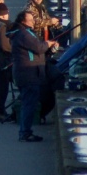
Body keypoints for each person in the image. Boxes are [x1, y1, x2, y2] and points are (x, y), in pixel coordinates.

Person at [11, 10, 59, 142]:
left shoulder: (25, 33)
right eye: (30, 19)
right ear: (23, 21)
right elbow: (38, 48)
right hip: (28, 75)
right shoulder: (24, 34)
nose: (33, 21)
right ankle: (25, 132)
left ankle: (25, 131)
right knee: (29, 104)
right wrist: (48, 44)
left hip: (28, 74)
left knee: (29, 103)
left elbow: (37, 52)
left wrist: (50, 49)